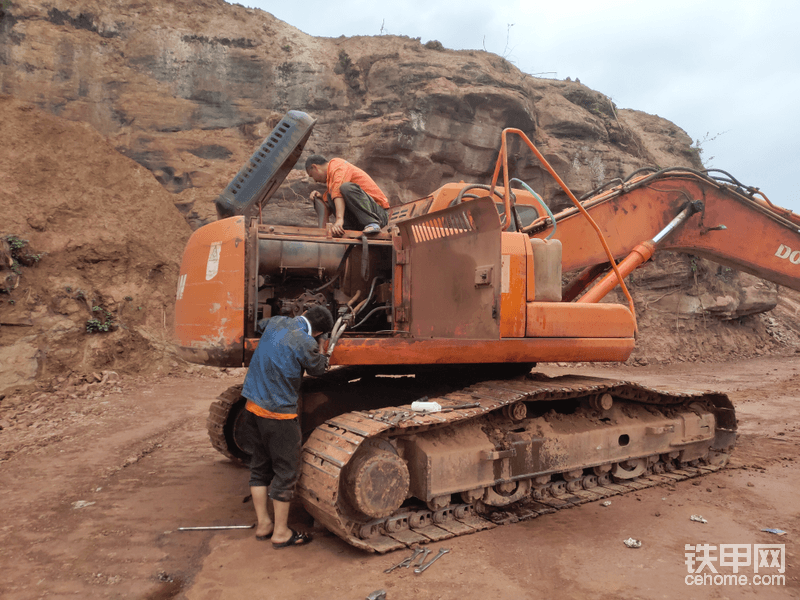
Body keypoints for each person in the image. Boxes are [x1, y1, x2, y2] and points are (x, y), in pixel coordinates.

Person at [242, 305, 334, 548]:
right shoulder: (305, 342)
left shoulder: (276, 322)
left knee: (260, 468)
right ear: (320, 331)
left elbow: (259, 326)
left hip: (252, 407)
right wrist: (323, 347)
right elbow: (319, 369)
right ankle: (281, 533)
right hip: (278, 416)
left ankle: (264, 524)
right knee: (286, 472)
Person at [305, 154, 390, 237]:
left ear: (315, 167)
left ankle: (372, 223)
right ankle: (347, 229)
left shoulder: (337, 165)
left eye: (312, 175)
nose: (315, 180)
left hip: (378, 214)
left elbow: (338, 192)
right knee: (330, 196)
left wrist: (339, 220)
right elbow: (330, 210)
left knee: (346, 187)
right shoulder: (331, 183)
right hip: (359, 220)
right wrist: (320, 199)